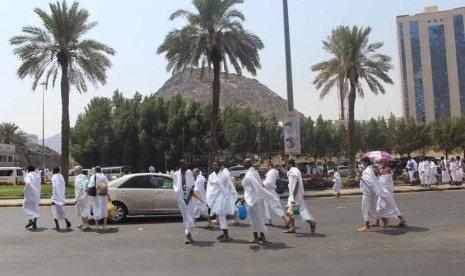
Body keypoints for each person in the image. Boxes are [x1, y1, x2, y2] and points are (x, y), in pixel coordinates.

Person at [241, 158, 276, 243]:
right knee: (259, 217)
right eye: (245, 162)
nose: (246, 163)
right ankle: (262, 235)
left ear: (250, 163)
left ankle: (255, 237)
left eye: (247, 162)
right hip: (255, 198)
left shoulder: (250, 174)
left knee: (253, 219)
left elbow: (257, 186)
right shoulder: (254, 172)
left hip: (251, 199)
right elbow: (259, 184)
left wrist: (245, 198)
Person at [370, 159, 407, 228]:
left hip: (386, 191)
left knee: (389, 206)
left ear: (385, 163)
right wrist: (376, 170)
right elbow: (379, 176)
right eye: (379, 162)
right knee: (383, 206)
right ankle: (377, 221)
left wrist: (378, 170)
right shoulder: (382, 170)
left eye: (381, 162)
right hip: (382, 191)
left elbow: (383, 176)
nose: (380, 163)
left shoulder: (387, 169)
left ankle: (401, 219)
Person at [206, 161, 238, 242]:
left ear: (220, 166)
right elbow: (210, 187)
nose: (215, 166)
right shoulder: (211, 176)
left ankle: (226, 235)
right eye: (214, 165)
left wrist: (229, 196)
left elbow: (228, 186)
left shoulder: (224, 175)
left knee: (222, 215)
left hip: (223, 197)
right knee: (220, 216)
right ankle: (224, 233)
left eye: (217, 165)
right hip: (215, 197)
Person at [283, 159, 316, 234]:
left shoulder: (292, 172)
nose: (285, 167)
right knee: (291, 212)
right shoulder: (294, 171)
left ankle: (311, 222)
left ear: (290, 164)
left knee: (296, 212)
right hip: (295, 195)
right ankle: (292, 227)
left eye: (286, 165)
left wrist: (293, 199)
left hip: (295, 196)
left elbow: (295, 185)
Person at [173, 160, 196, 244]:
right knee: (184, 216)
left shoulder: (189, 172)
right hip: (181, 197)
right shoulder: (175, 174)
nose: (187, 165)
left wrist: (190, 191)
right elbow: (175, 186)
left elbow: (193, 183)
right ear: (181, 165)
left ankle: (187, 235)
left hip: (189, 195)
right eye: (185, 164)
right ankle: (188, 235)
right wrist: (179, 193)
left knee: (189, 215)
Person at [262, 161, 288, 226]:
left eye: (265, 165)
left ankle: (287, 219)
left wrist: (262, 182)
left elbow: (270, 183)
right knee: (266, 206)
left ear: (269, 165)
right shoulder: (272, 172)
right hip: (267, 192)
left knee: (275, 207)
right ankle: (269, 220)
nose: (264, 167)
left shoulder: (271, 172)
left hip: (270, 192)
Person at [89, 166, 110, 231]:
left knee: (96, 208)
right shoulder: (104, 176)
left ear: (95, 170)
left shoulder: (94, 176)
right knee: (104, 209)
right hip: (104, 194)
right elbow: (107, 184)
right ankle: (105, 225)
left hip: (97, 195)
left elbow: (90, 185)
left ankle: (97, 225)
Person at [74, 166, 90, 230]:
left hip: (81, 197)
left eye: (75, 170)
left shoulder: (79, 178)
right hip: (84, 196)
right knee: (82, 210)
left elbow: (79, 189)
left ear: (77, 171)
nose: (74, 171)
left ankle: (86, 224)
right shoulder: (84, 177)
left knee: (84, 210)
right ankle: (83, 223)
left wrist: (76, 199)